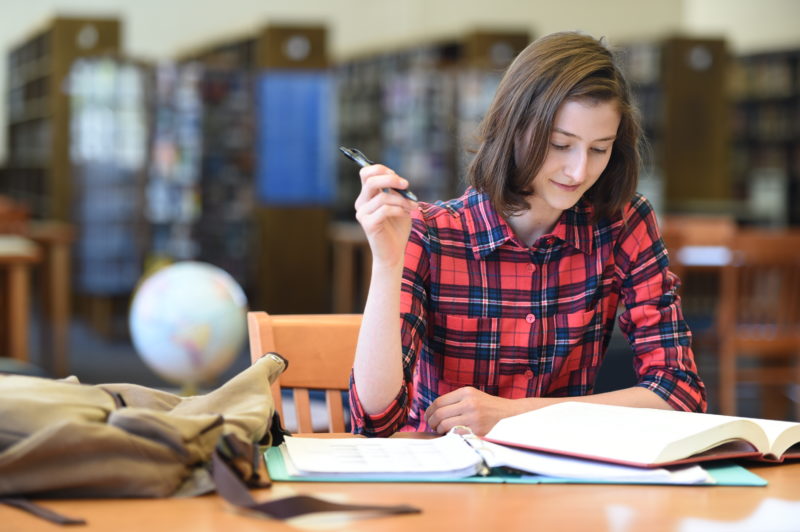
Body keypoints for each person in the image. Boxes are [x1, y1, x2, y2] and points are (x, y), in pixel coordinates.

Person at [349, 31, 706, 438]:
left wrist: (518, 414)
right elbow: (374, 422)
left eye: (599, 149)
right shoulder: (432, 234)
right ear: (514, 128)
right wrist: (388, 262)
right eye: (560, 144)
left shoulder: (624, 224)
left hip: (564, 479)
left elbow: (680, 393)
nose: (578, 171)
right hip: (448, 481)